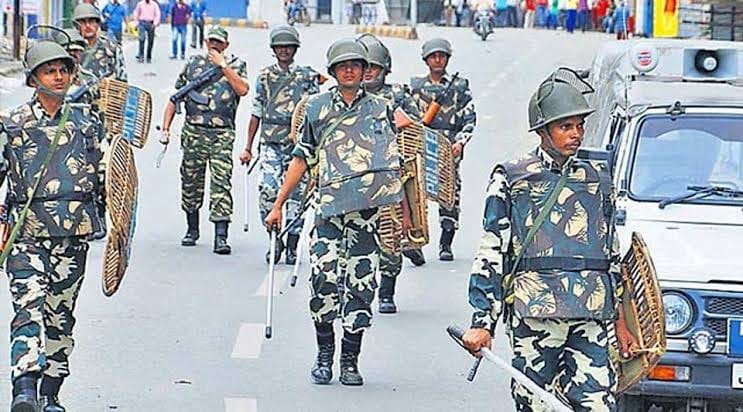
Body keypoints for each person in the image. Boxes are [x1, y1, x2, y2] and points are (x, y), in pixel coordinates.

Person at [461, 71, 639, 411]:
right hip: (536, 310)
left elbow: (610, 254)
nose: (575, 134)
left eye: (579, 126)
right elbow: (492, 250)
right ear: (543, 131)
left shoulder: (597, 178)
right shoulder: (512, 177)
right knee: (535, 404)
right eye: (565, 127)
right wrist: (482, 321)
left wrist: (620, 320)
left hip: (590, 312)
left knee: (598, 404)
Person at [265, 38, 406, 386]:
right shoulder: (315, 108)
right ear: (332, 71)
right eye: (343, 65)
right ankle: (324, 354)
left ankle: (350, 361)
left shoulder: (382, 107)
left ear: (365, 71)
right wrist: (279, 203)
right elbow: (301, 157)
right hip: (328, 213)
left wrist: (406, 211)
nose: (350, 70)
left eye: (356, 65)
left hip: (366, 216)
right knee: (323, 279)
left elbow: (406, 151)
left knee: (361, 286)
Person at [0, 40, 105, 412]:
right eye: (49, 70)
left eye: (63, 70)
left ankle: (50, 391)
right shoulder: (12, 124)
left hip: (73, 236)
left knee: (60, 317)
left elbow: (105, 176)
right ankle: (23, 387)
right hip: (26, 234)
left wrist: (115, 227)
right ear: (33, 79)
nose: (58, 77)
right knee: (28, 305)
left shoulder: (87, 123)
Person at [160, 26, 249, 254]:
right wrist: (166, 128)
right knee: (190, 182)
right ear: (205, 42)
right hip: (193, 133)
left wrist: (223, 66)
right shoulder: (192, 65)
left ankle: (221, 236)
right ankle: (192, 228)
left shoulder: (236, 65)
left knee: (221, 184)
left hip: (222, 134)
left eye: (220, 43)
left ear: (226, 46)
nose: (215, 46)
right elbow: (175, 97)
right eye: (212, 41)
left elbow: (242, 90)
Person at [239, 25, 322, 265]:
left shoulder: (307, 76)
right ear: (274, 50)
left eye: (288, 46)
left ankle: (293, 243)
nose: (284, 51)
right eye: (280, 47)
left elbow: (314, 113)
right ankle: (275, 239)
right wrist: (248, 146)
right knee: (267, 191)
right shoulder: (264, 77)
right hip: (271, 144)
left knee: (297, 194)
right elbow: (256, 111)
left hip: (299, 146)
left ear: (295, 49)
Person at [357, 33, 421, 314]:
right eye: (365, 67)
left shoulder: (398, 95)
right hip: (355, 180)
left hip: (391, 178)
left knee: (391, 238)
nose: (369, 73)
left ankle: (387, 290)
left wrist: (399, 119)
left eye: (375, 68)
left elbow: (416, 129)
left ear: (385, 70)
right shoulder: (347, 95)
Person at [410, 38, 476, 262]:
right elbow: (408, 119)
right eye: (433, 56)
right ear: (426, 60)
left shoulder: (459, 86)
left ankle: (445, 243)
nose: (438, 60)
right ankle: (415, 242)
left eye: (442, 56)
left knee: (449, 195)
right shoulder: (416, 87)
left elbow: (469, 118)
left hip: (449, 149)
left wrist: (461, 142)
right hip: (422, 147)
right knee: (415, 196)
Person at [74, 3, 128, 81]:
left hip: (105, 91)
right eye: (82, 22)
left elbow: (122, 79)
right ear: (76, 25)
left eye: (91, 21)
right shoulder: (72, 49)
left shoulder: (112, 48)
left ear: (97, 24)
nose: (88, 25)